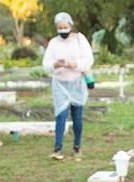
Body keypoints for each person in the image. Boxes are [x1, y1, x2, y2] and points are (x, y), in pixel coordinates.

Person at [42, 11, 94, 161]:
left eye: (65, 26)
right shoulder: (54, 43)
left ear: (70, 25)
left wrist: (74, 64)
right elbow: (46, 64)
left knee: (77, 116)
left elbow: (88, 60)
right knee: (61, 115)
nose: (63, 30)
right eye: (60, 27)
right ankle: (57, 148)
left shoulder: (79, 39)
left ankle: (77, 147)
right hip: (60, 84)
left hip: (77, 82)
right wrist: (55, 65)